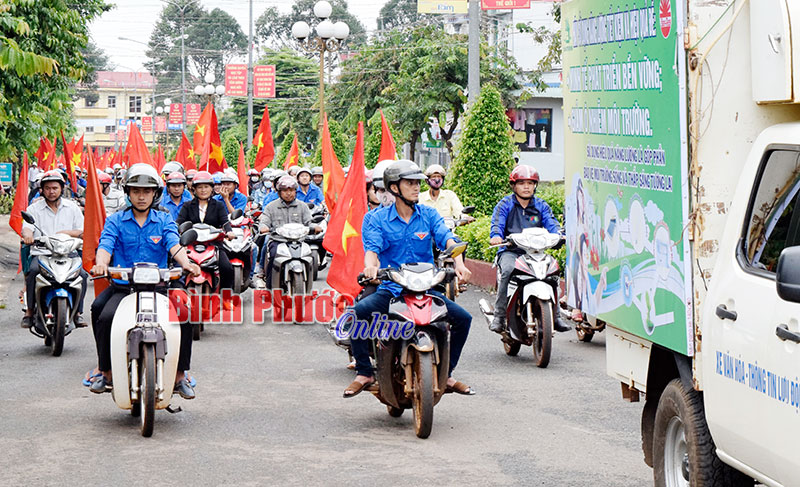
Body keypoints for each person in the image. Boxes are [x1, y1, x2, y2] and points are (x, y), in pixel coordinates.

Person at [343, 160, 475, 398]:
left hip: (426, 289)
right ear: (394, 188)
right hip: (392, 289)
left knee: (463, 319)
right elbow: (371, 250)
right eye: (410, 183)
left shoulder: (429, 215)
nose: (417, 188)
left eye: (417, 183)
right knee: (358, 314)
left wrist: (459, 262)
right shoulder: (375, 219)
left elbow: (448, 239)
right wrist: (371, 268)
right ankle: (364, 372)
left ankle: (447, 374)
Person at [87, 163, 201, 397]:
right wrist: (101, 263)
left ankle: (180, 375)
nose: (141, 196)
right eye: (136, 191)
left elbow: (174, 244)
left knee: (185, 312)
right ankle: (106, 371)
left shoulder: (163, 219)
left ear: (155, 194)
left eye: (146, 191)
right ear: (128, 193)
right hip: (124, 288)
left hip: (161, 287)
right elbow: (105, 245)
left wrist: (187, 263)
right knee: (101, 312)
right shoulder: (116, 220)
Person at [488, 165, 571, 334]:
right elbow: (497, 225)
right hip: (511, 252)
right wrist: (496, 236)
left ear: (535, 186)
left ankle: (555, 317)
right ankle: (499, 316)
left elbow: (552, 224)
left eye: (530, 183)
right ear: (514, 186)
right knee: (508, 271)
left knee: (552, 272)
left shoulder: (541, 206)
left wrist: (560, 235)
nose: (526, 187)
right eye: (522, 183)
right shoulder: (505, 204)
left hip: (536, 253)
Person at [20, 170, 88, 329]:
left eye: (55, 188)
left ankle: (77, 313)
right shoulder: (34, 209)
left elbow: (83, 231)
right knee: (33, 273)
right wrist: (28, 236)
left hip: (68, 254)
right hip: (42, 254)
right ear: (42, 190)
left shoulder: (72, 208)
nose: (51, 192)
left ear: (61, 189)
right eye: (48, 188)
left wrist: (66, 233)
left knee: (83, 275)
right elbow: (27, 228)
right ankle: (29, 312)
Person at [176, 171, 236, 293]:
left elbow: (225, 222)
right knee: (176, 267)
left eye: (206, 187)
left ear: (212, 189)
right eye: (200, 187)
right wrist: (177, 232)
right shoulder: (187, 206)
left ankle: (226, 296)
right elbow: (179, 222)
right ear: (194, 189)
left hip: (213, 244)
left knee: (227, 268)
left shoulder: (218, 205)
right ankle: (178, 294)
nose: (203, 190)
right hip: (191, 244)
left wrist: (229, 232)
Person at [258, 175, 320, 287]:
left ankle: (308, 284)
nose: (288, 193)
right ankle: (270, 286)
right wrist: (263, 227)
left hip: (299, 241)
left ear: (296, 191)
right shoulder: (271, 207)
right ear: (279, 192)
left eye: (291, 190)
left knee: (309, 257)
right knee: (272, 255)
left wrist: (315, 227)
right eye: (285, 190)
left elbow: (309, 222)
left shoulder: (303, 206)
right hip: (278, 241)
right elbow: (264, 221)